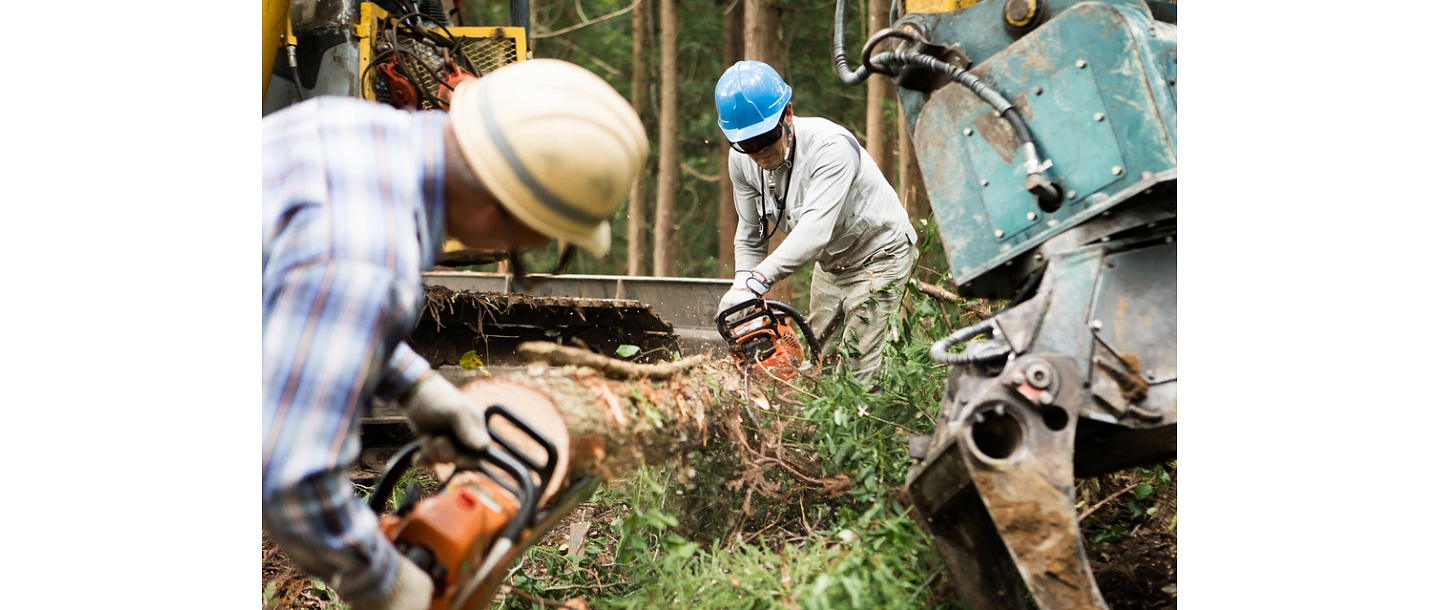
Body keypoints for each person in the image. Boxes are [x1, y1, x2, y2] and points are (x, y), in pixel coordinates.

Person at [262, 58, 647, 610]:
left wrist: (416, 387)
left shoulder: (345, 127)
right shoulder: (368, 258)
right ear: (501, 209)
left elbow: (292, 304)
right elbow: (289, 477)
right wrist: (388, 584)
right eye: (546, 239)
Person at [713, 60, 917, 381]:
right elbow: (752, 235)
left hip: (880, 254)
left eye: (767, 136)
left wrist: (756, 282)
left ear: (788, 113)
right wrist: (743, 291)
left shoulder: (829, 147)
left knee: (857, 369)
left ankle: (868, 422)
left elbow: (814, 232)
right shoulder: (741, 161)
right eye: (748, 144)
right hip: (831, 265)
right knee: (821, 360)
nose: (760, 151)